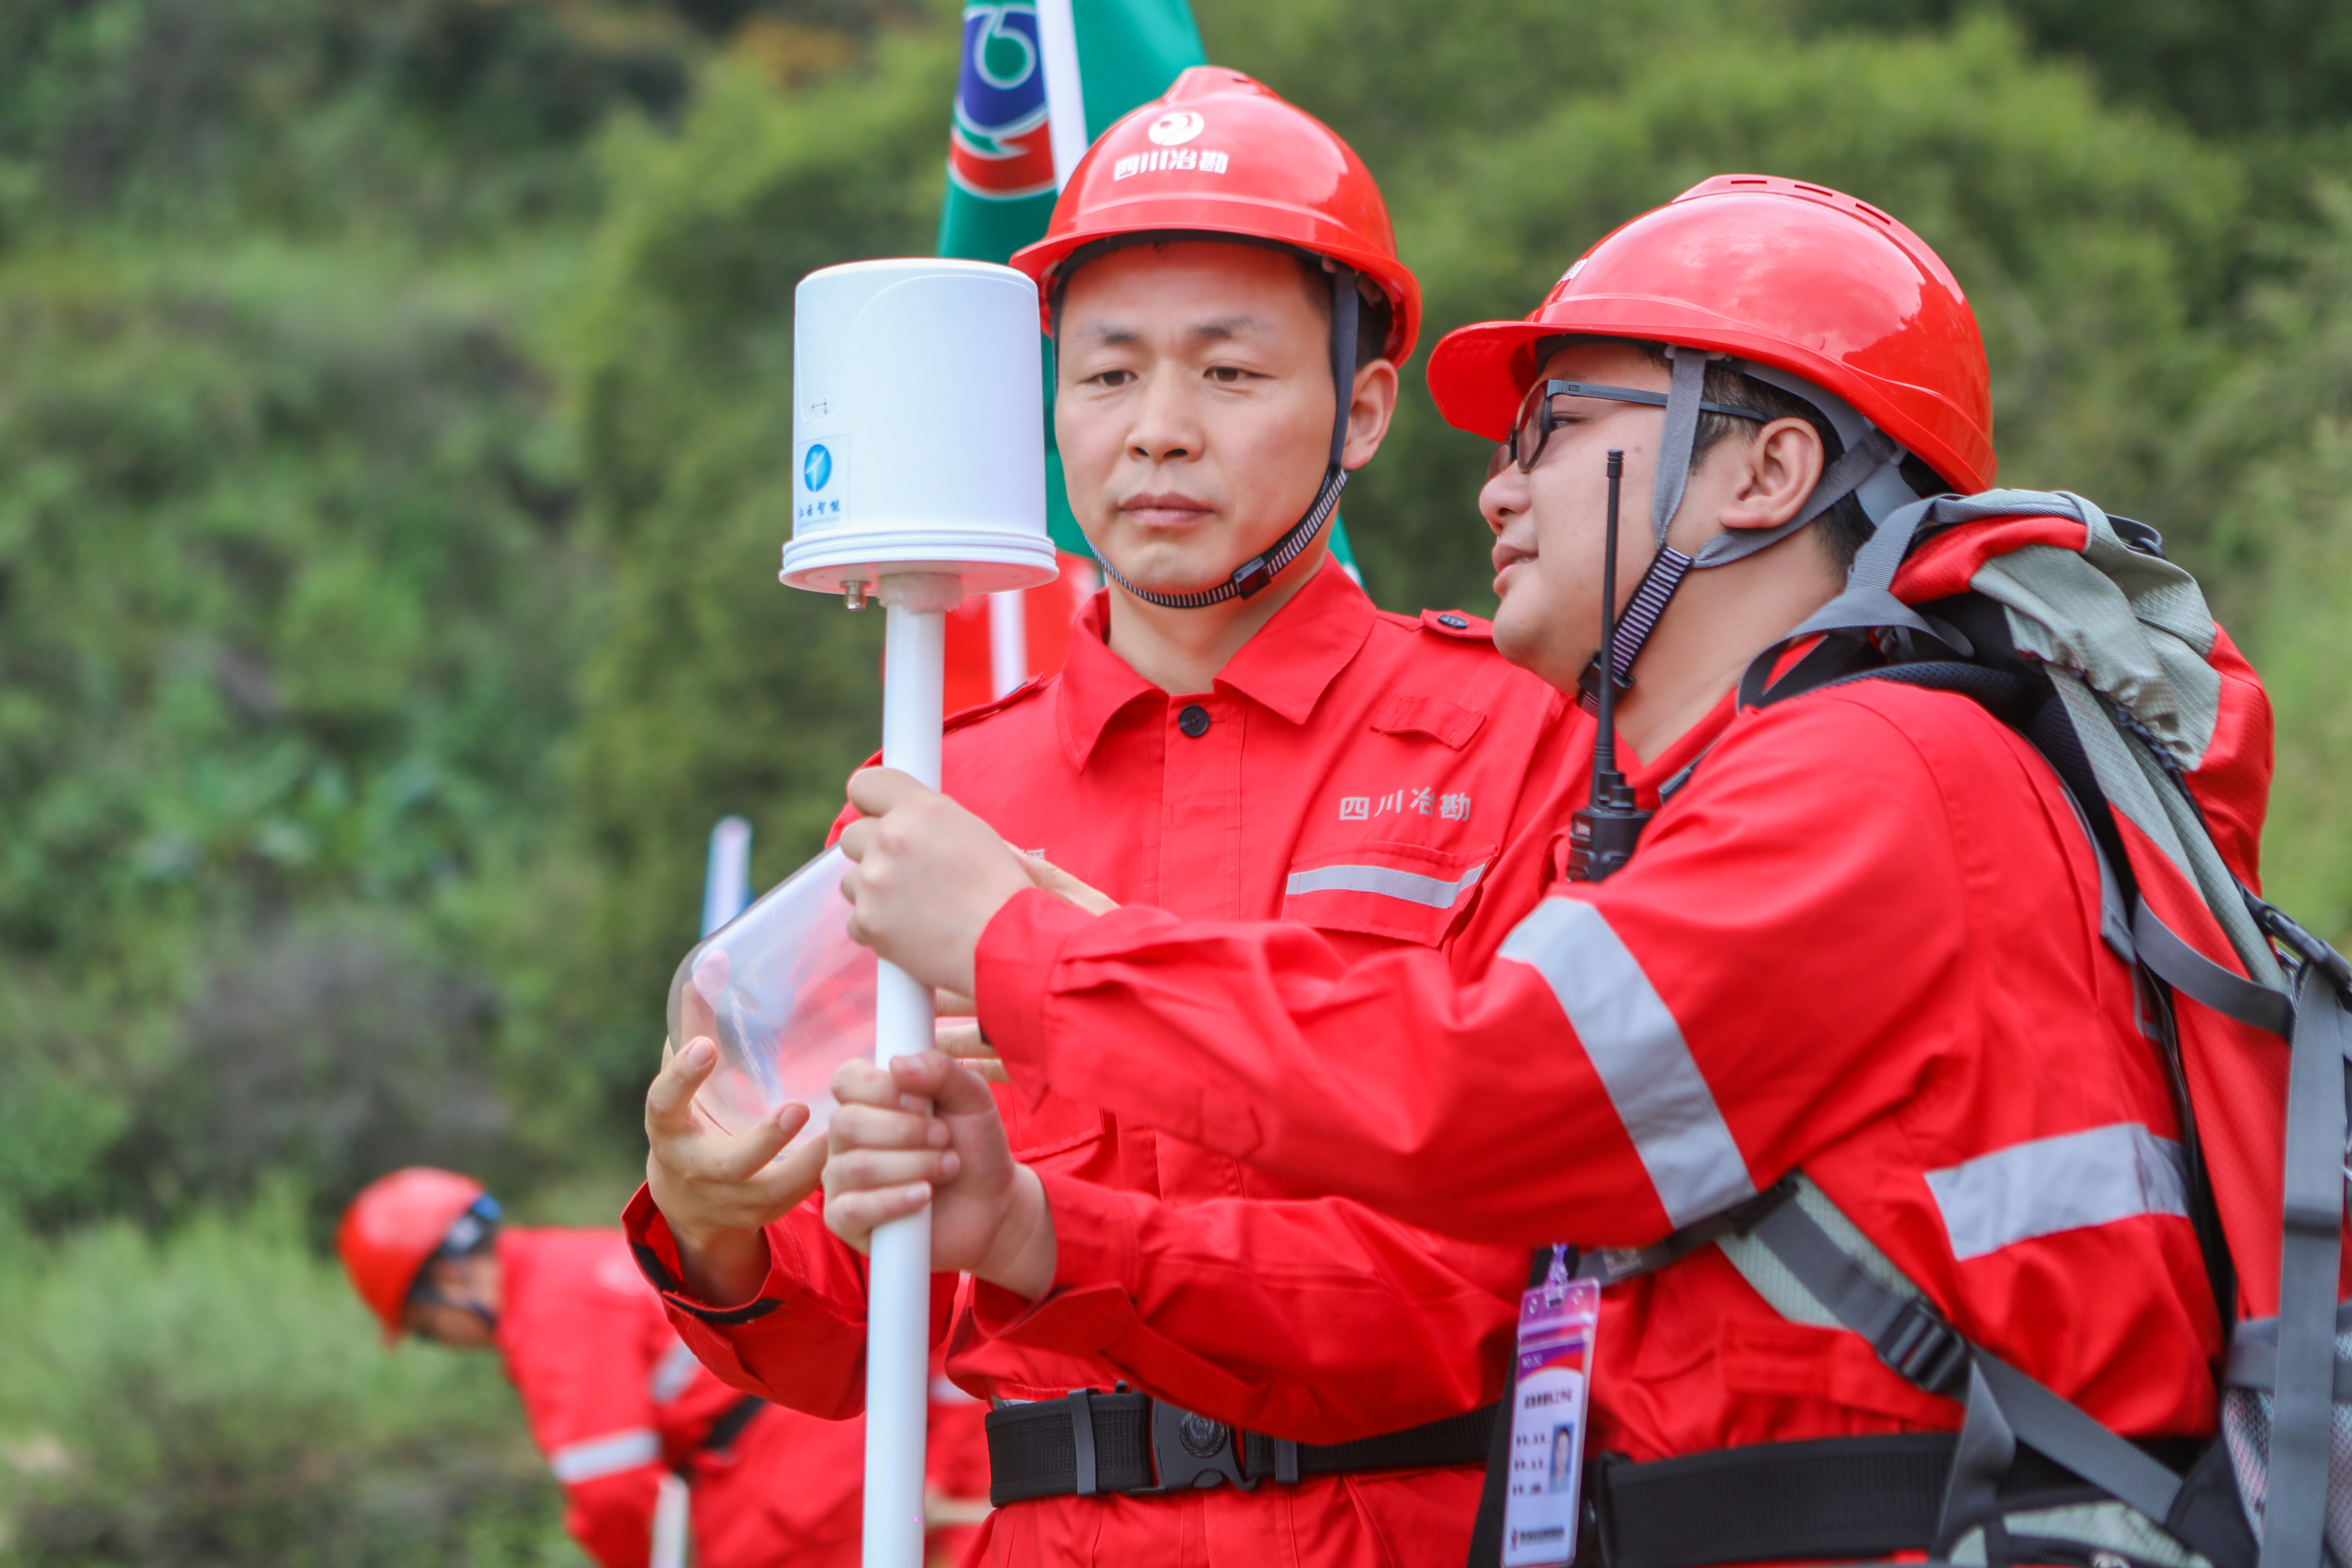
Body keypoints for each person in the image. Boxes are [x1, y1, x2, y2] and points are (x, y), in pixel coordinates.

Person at [829, 176, 2268, 1565]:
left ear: (1765, 471)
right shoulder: (1794, 777)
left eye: (1560, 428)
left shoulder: (1870, 779)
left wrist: (1024, 947)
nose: (1497, 492)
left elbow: (1490, 1081)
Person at [629, 66, 1584, 1568]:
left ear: (1365, 407)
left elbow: (1485, 1281)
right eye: (1104, 372)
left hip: (1401, 1524)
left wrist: (1036, 1230)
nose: (1155, 431)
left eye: (1226, 372)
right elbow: (846, 1347)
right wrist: (714, 1222)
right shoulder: (935, 790)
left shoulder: (1523, 739)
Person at [337, 1167, 991, 1568]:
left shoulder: (548, 1319)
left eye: (424, 1330)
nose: (445, 1344)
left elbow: (614, 1492)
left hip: (786, 1485)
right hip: (828, 1440)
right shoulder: (568, 1261)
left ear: (450, 1279)